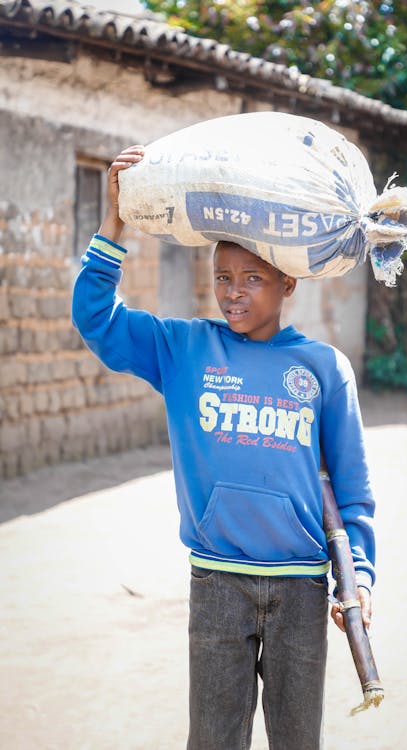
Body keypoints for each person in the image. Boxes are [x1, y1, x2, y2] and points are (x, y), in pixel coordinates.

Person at [72, 145, 376, 750]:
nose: (232, 293)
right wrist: (115, 221)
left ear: (287, 282)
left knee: (296, 740)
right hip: (217, 583)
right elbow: (96, 319)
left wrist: (358, 579)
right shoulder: (184, 350)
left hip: (300, 586)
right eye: (222, 278)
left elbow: (352, 490)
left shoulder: (322, 368)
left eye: (251, 279)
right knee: (212, 741)